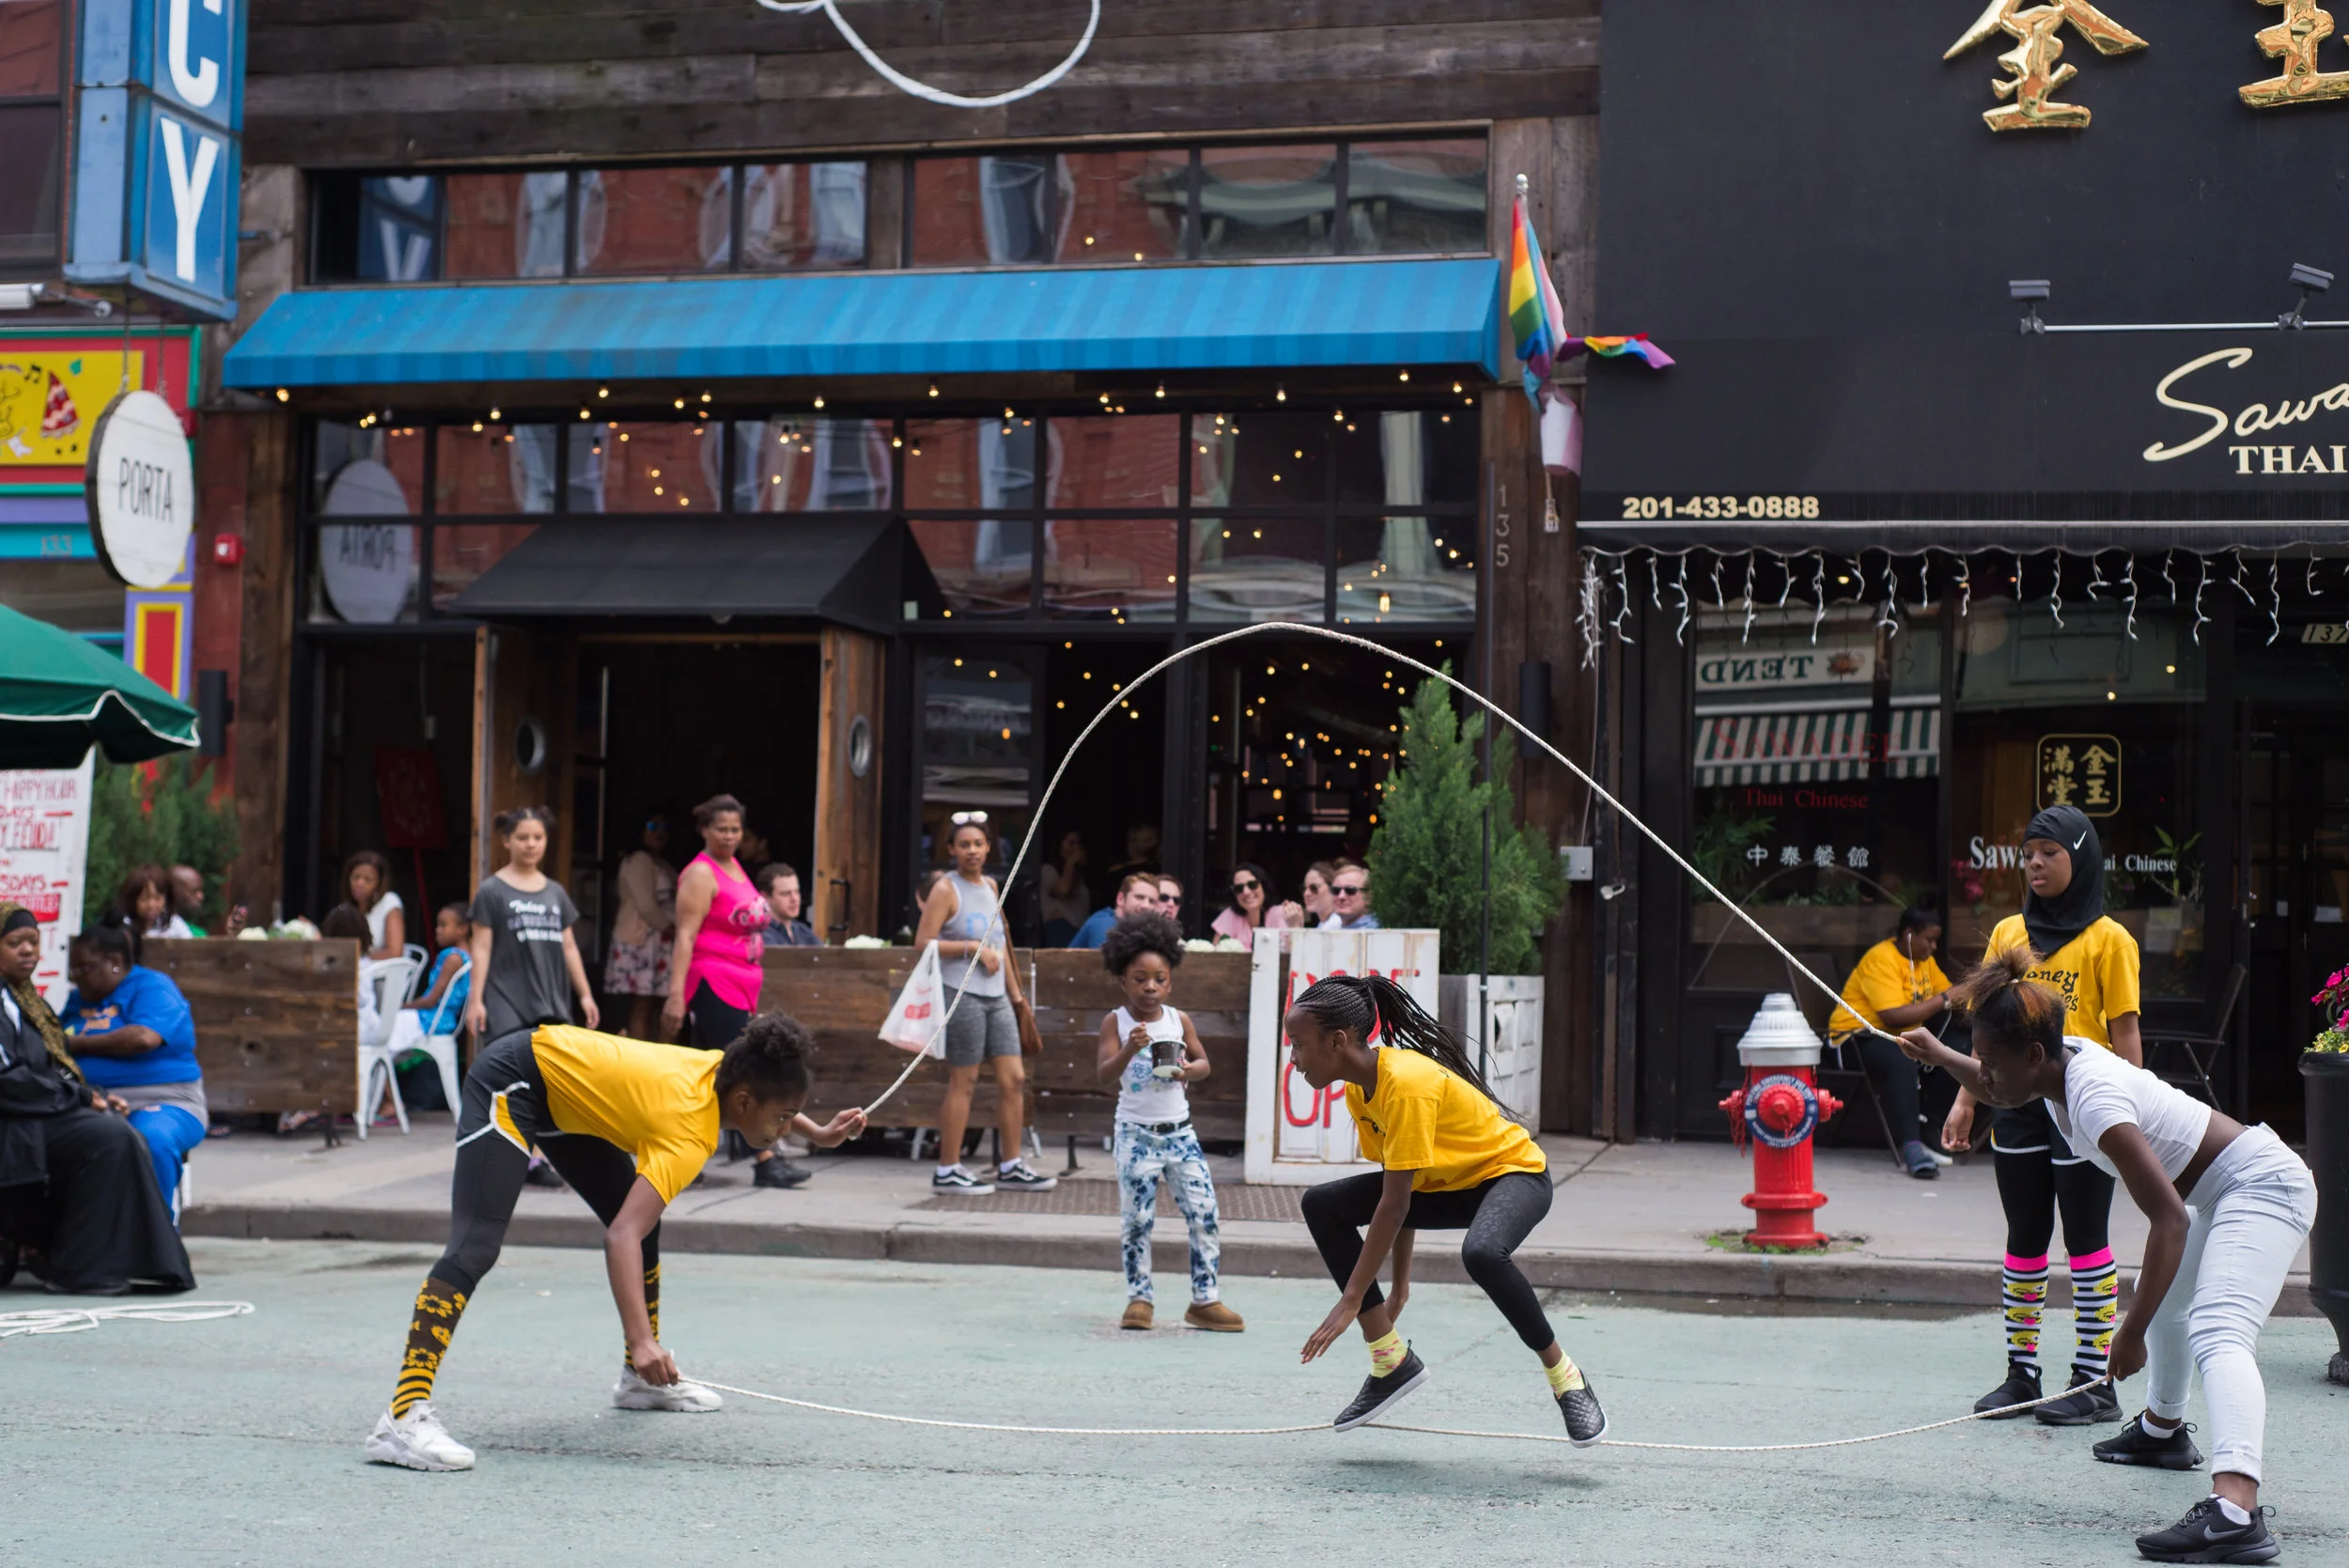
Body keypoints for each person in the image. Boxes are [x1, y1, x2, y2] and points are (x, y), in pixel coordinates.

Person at [1900, 947, 2315, 1565]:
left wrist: (2129, 1331)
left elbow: (2169, 1219)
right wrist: (1941, 1056)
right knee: (2170, 1302)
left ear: (2032, 1054)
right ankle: (2162, 1432)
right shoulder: (2056, 1063)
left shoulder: (2094, 1099)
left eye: (1989, 1061)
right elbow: (2001, 1087)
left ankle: (2235, 1510)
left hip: (2263, 1186)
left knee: (2218, 1328)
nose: (1982, 1076)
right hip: (2221, 1189)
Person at [363, 1013, 868, 1471]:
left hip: (564, 1098)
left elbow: (766, 1097)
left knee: (646, 1222)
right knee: (476, 1246)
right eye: (784, 1119)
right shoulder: (691, 1135)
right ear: (743, 1103)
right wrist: (643, 1339)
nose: (785, 1129)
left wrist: (821, 1133)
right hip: (512, 1079)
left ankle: (638, 1381)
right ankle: (402, 1418)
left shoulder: (723, 1072)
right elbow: (620, 1236)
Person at [1288, 974, 1604, 1444]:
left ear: (1336, 1041)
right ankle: (1390, 1361)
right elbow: (1400, 1192)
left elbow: (1396, 1205)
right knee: (1322, 1204)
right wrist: (1399, 1291)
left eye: (1298, 1044)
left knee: (1482, 1253)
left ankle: (1567, 1379)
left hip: (1513, 1176)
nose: (1293, 1059)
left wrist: (1351, 1299)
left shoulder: (1405, 1084)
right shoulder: (1359, 1089)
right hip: (1450, 1187)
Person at [1945, 804, 2142, 1427]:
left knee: (2086, 1239)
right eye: (2028, 852)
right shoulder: (2009, 933)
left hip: (2084, 1105)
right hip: (2017, 1104)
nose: (2034, 862)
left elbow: (2126, 1035)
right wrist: (1967, 1098)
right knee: (2024, 1237)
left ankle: (2094, 1380)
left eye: (2049, 852)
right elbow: (1985, 1029)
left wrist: (2129, 1116)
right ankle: (2021, 1374)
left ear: (2080, 857)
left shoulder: (2111, 940)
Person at [0, 901, 193, 1294]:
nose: (28, 951)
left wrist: (90, 1096)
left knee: (116, 1133)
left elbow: (53, 1066)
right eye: (15, 943)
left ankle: (120, 1261)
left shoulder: (27, 1002)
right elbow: (8, 1079)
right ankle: (82, 1269)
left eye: (33, 942)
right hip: (13, 1117)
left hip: (34, 1112)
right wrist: (78, 1099)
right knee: (108, 1138)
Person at [1097, 914, 1242, 1332]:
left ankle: (1205, 1299)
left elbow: (1203, 1063)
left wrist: (1188, 1070)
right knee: (1137, 1220)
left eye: (1159, 979)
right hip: (1135, 1134)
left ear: (1170, 983)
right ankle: (1139, 1298)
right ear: (1123, 981)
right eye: (1140, 979)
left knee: (1204, 1212)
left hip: (1180, 1133)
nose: (1150, 987)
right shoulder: (1116, 1022)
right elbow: (1104, 1074)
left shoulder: (1179, 1020)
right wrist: (1129, 1048)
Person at [664, 796, 801, 1189]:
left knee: (706, 1077)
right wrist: (676, 994)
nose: (729, 836)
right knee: (746, 1068)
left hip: (743, 983)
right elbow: (685, 935)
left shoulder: (735, 868)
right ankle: (765, 1158)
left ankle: (683, 1155)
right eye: (721, 829)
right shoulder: (700, 873)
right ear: (704, 830)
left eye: (735, 829)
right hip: (713, 980)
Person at [915, 817, 1054, 1194]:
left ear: (989, 847)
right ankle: (948, 1168)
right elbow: (923, 943)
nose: (972, 851)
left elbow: (1001, 945)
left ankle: (1011, 1164)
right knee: (964, 1080)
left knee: (1015, 1079)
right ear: (951, 850)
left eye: (978, 843)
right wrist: (970, 948)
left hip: (998, 997)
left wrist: (1016, 997)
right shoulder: (946, 888)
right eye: (964, 844)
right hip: (961, 993)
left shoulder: (991, 886)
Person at [464, 809, 599, 1183]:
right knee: (513, 1081)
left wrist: (585, 995)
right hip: (506, 999)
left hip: (550, 1001)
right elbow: (481, 948)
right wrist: (476, 999)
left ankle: (540, 1156)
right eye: (522, 837)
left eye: (538, 837)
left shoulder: (555, 892)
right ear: (507, 841)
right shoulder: (492, 891)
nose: (531, 844)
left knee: (549, 1081)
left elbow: (569, 947)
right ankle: (517, 1158)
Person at [58, 914, 206, 1223]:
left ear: (114, 962)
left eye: (84, 968)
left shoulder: (152, 987)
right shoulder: (77, 1001)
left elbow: (143, 1038)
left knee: (151, 1139)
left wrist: (77, 1043)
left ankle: (156, 1236)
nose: (75, 977)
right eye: (73, 968)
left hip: (165, 1099)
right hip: (91, 1100)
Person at [1828, 906, 1955, 1179]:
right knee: (1901, 1057)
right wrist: (1945, 999)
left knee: (1957, 1048)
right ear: (1909, 934)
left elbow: (1947, 993)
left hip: (1896, 1038)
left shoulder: (1924, 961)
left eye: (1936, 941)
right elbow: (1893, 1017)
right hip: (1853, 1039)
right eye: (1929, 940)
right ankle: (1911, 1146)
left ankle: (1928, 1125)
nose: (1933, 947)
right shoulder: (1881, 958)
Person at [387, 904, 472, 1111]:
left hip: (431, 1020)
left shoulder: (453, 958)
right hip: (440, 1020)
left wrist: (403, 1006)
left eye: (444, 925)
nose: (437, 930)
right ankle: (388, 1101)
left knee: (381, 1034)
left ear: (462, 929)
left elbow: (431, 1000)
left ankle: (389, 1102)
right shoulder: (468, 956)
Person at [605, 815, 677, 1041]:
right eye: (653, 826)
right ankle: (641, 1058)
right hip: (643, 941)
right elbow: (646, 906)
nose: (659, 832)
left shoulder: (661, 862)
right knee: (642, 1006)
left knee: (663, 1006)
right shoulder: (638, 860)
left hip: (660, 942)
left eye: (664, 827)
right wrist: (674, 931)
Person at [1210, 862, 1302, 948]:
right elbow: (1216, 955)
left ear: (1264, 886)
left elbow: (1295, 953)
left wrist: (1295, 926)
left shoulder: (1281, 914)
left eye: (1252, 885)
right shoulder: (1230, 916)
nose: (1246, 892)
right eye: (1239, 888)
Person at [337, 849, 406, 961]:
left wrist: (361, 959)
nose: (360, 883)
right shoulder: (345, 909)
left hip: (380, 969)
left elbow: (395, 952)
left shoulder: (389, 902)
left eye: (368, 880)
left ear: (379, 883)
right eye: (355, 877)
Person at [1066, 872, 1164, 950]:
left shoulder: (1143, 929)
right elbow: (1103, 968)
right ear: (1120, 899)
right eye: (1139, 897)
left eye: (1152, 901)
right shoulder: (1103, 924)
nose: (1146, 906)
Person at [1039, 831, 1091, 948]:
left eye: (1078, 844)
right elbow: (1062, 890)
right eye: (1071, 843)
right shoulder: (1048, 870)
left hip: (1079, 930)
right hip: (1060, 928)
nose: (1076, 848)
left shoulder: (1080, 877)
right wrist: (1070, 861)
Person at [120, 864, 194, 939]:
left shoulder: (174, 924)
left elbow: (190, 943)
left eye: (157, 898)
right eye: (144, 899)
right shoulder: (124, 924)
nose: (151, 905)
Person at [757, 862, 822, 948]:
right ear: (765, 897)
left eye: (797, 892)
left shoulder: (802, 931)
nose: (794, 899)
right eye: (785, 894)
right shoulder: (760, 935)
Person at [1325, 861, 1380, 930]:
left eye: (1350, 890)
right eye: (1336, 890)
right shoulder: (1331, 928)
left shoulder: (1377, 931)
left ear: (1368, 897)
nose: (1341, 896)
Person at [1103, 822, 1162, 888]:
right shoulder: (1118, 872)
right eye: (1149, 839)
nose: (1155, 842)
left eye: (1155, 839)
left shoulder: (1158, 868)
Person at [1299, 861, 1339, 928]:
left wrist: (1295, 926)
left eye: (1314, 888)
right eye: (1304, 888)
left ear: (1332, 889)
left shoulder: (1336, 923)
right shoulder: (1323, 923)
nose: (1306, 894)